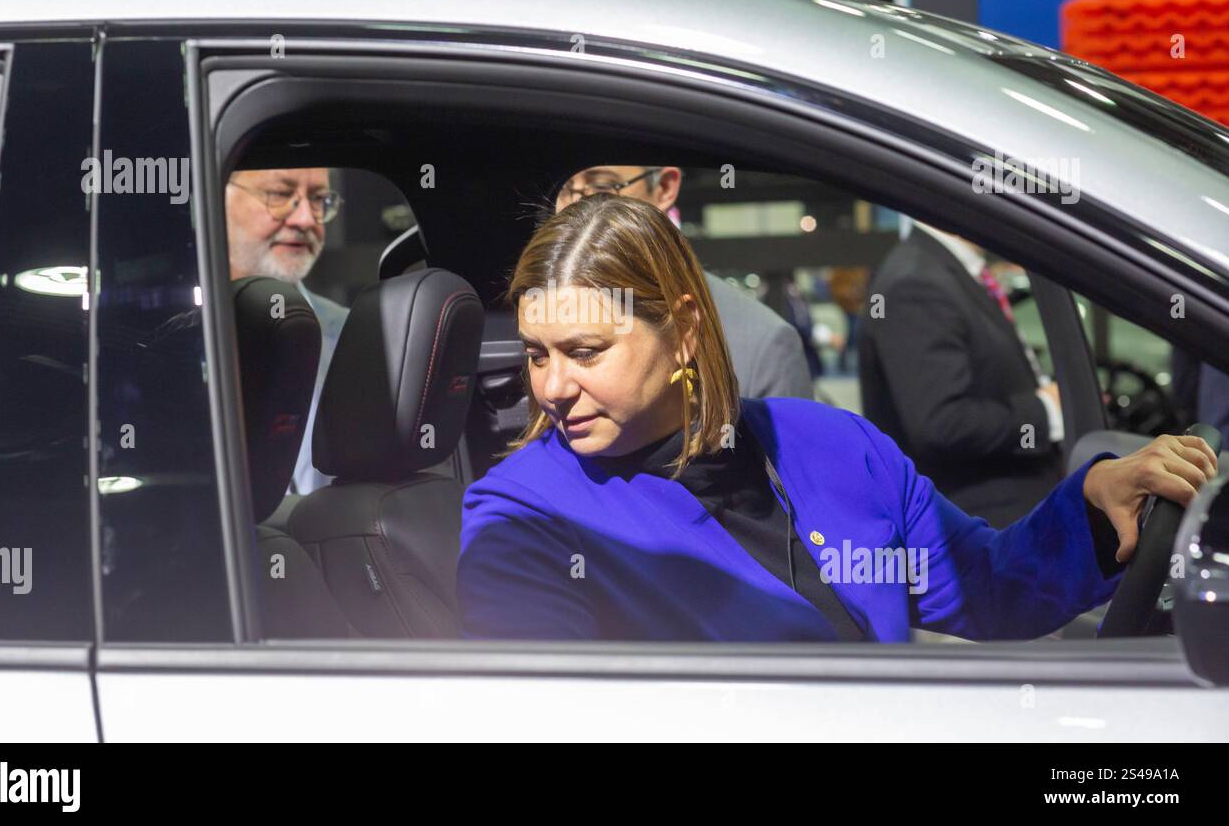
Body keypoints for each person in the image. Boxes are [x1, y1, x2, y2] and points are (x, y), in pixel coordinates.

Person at [456, 195, 1216, 642]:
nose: (552, 386)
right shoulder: (521, 515)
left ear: (685, 331)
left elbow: (981, 582)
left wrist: (1093, 506)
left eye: (584, 351)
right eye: (535, 354)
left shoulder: (830, 443)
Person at [859, 222, 1064, 528]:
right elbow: (943, 424)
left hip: (999, 514)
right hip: (983, 523)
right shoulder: (916, 282)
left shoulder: (939, 270)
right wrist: (1045, 410)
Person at [557, 166, 812, 400]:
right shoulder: (533, 314)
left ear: (664, 187)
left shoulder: (758, 343)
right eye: (563, 188)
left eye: (602, 186)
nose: (575, 203)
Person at [225, 167, 346, 494]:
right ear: (215, 196)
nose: (306, 219)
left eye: (319, 199)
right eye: (280, 194)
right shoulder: (166, 344)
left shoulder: (356, 340)